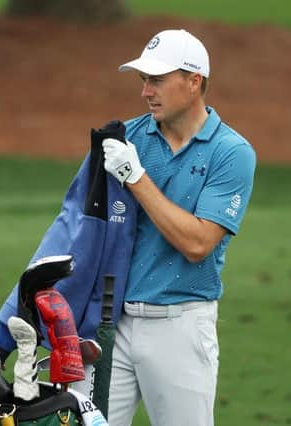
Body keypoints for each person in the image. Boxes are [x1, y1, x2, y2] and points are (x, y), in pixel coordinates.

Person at [100, 29, 256, 425]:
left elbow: (198, 242)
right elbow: (87, 227)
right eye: (143, 80)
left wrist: (135, 176)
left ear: (194, 81)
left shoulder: (231, 152)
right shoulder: (127, 138)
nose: (146, 91)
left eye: (158, 79)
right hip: (111, 324)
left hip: (181, 327)